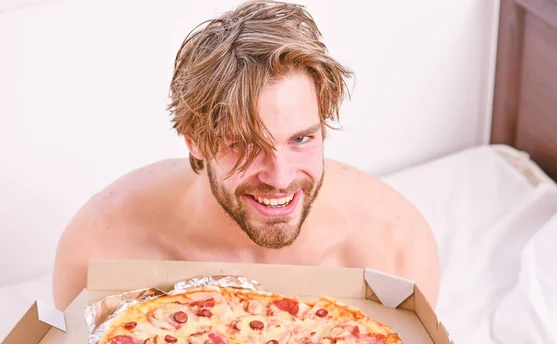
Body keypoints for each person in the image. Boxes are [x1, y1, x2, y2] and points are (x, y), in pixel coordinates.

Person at [52, 0, 440, 311]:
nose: (280, 176)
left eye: (301, 139)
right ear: (195, 142)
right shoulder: (103, 250)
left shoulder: (394, 252)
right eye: (246, 144)